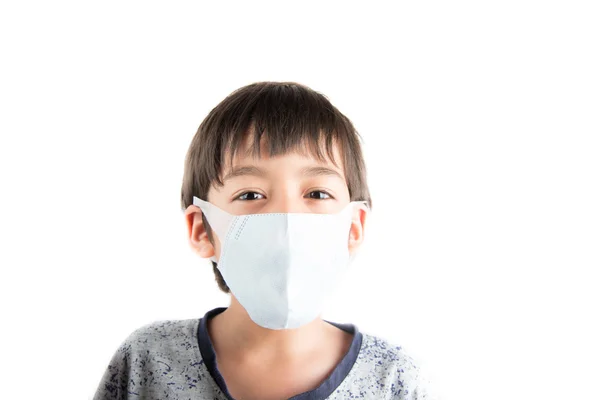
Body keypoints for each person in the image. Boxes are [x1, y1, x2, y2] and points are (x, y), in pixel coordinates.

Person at [93, 81, 436, 399]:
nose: (287, 218)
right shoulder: (148, 361)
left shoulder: (393, 378)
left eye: (317, 193)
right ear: (201, 229)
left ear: (354, 227)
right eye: (251, 194)